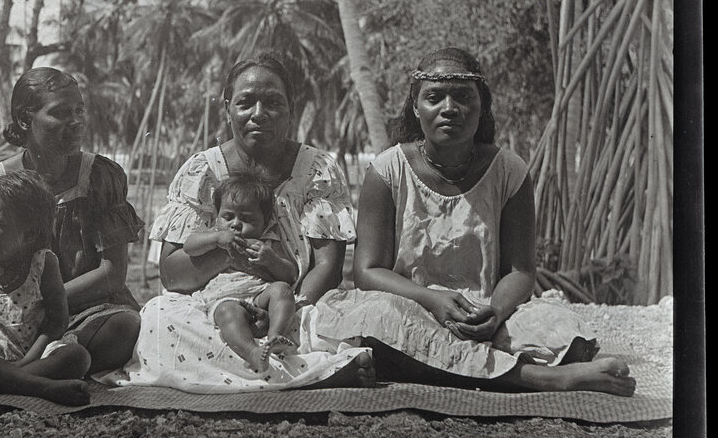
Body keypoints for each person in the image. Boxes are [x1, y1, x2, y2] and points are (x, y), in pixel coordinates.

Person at [316, 47, 636, 396]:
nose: (449, 108)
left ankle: (460, 365)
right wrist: (432, 300)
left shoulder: (508, 171)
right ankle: (541, 378)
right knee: (377, 322)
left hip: (484, 311)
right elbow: (367, 272)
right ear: (416, 107)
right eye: (434, 98)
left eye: (463, 97)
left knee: (566, 333)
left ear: (482, 106)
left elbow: (521, 271)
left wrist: (495, 311)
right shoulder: (387, 170)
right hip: (411, 306)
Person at [100, 52, 374, 392]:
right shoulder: (201, 172)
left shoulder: (317, 171)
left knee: (337, 317)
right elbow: (172, 275)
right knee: (161, 316)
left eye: (273, 103)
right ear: (228, 108)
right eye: (245, 103)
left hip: (294, 303)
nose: (258, 114)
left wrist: (285, 311)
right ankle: (312, 372)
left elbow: (327, 268)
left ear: (291, 109)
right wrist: (227, 253)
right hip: (215, 307)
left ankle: (256, 367)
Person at [0, 67, 144, 378]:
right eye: (60, 113)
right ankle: (32, 373)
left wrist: (44, 301)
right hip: (4, 314)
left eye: (79, 110)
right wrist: (6, 309)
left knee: (123, 329)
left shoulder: (99, 177)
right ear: (24, 119)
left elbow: (112, 274)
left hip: (81, 311)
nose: (76, 121)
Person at [0, 170, 92, 405]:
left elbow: (56, 323)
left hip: (33, 355)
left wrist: (25, 363)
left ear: (29, 234)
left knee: (77, 356)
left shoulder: (43, 264)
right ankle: (41, 387)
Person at [183, 173, 300, 373]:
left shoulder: (268, 242)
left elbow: (291, 275)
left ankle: (276, 336)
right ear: (217, 216)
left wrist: (272, 260)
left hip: (260, 296)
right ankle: (252, 353)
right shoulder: (215, 237)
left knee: (282, 290)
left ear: (265, 222)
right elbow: (189, 246)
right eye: (228, 217)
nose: (235, 224)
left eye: (247, 219)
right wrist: (216, 239)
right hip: (226, 297)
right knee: (228, 313)